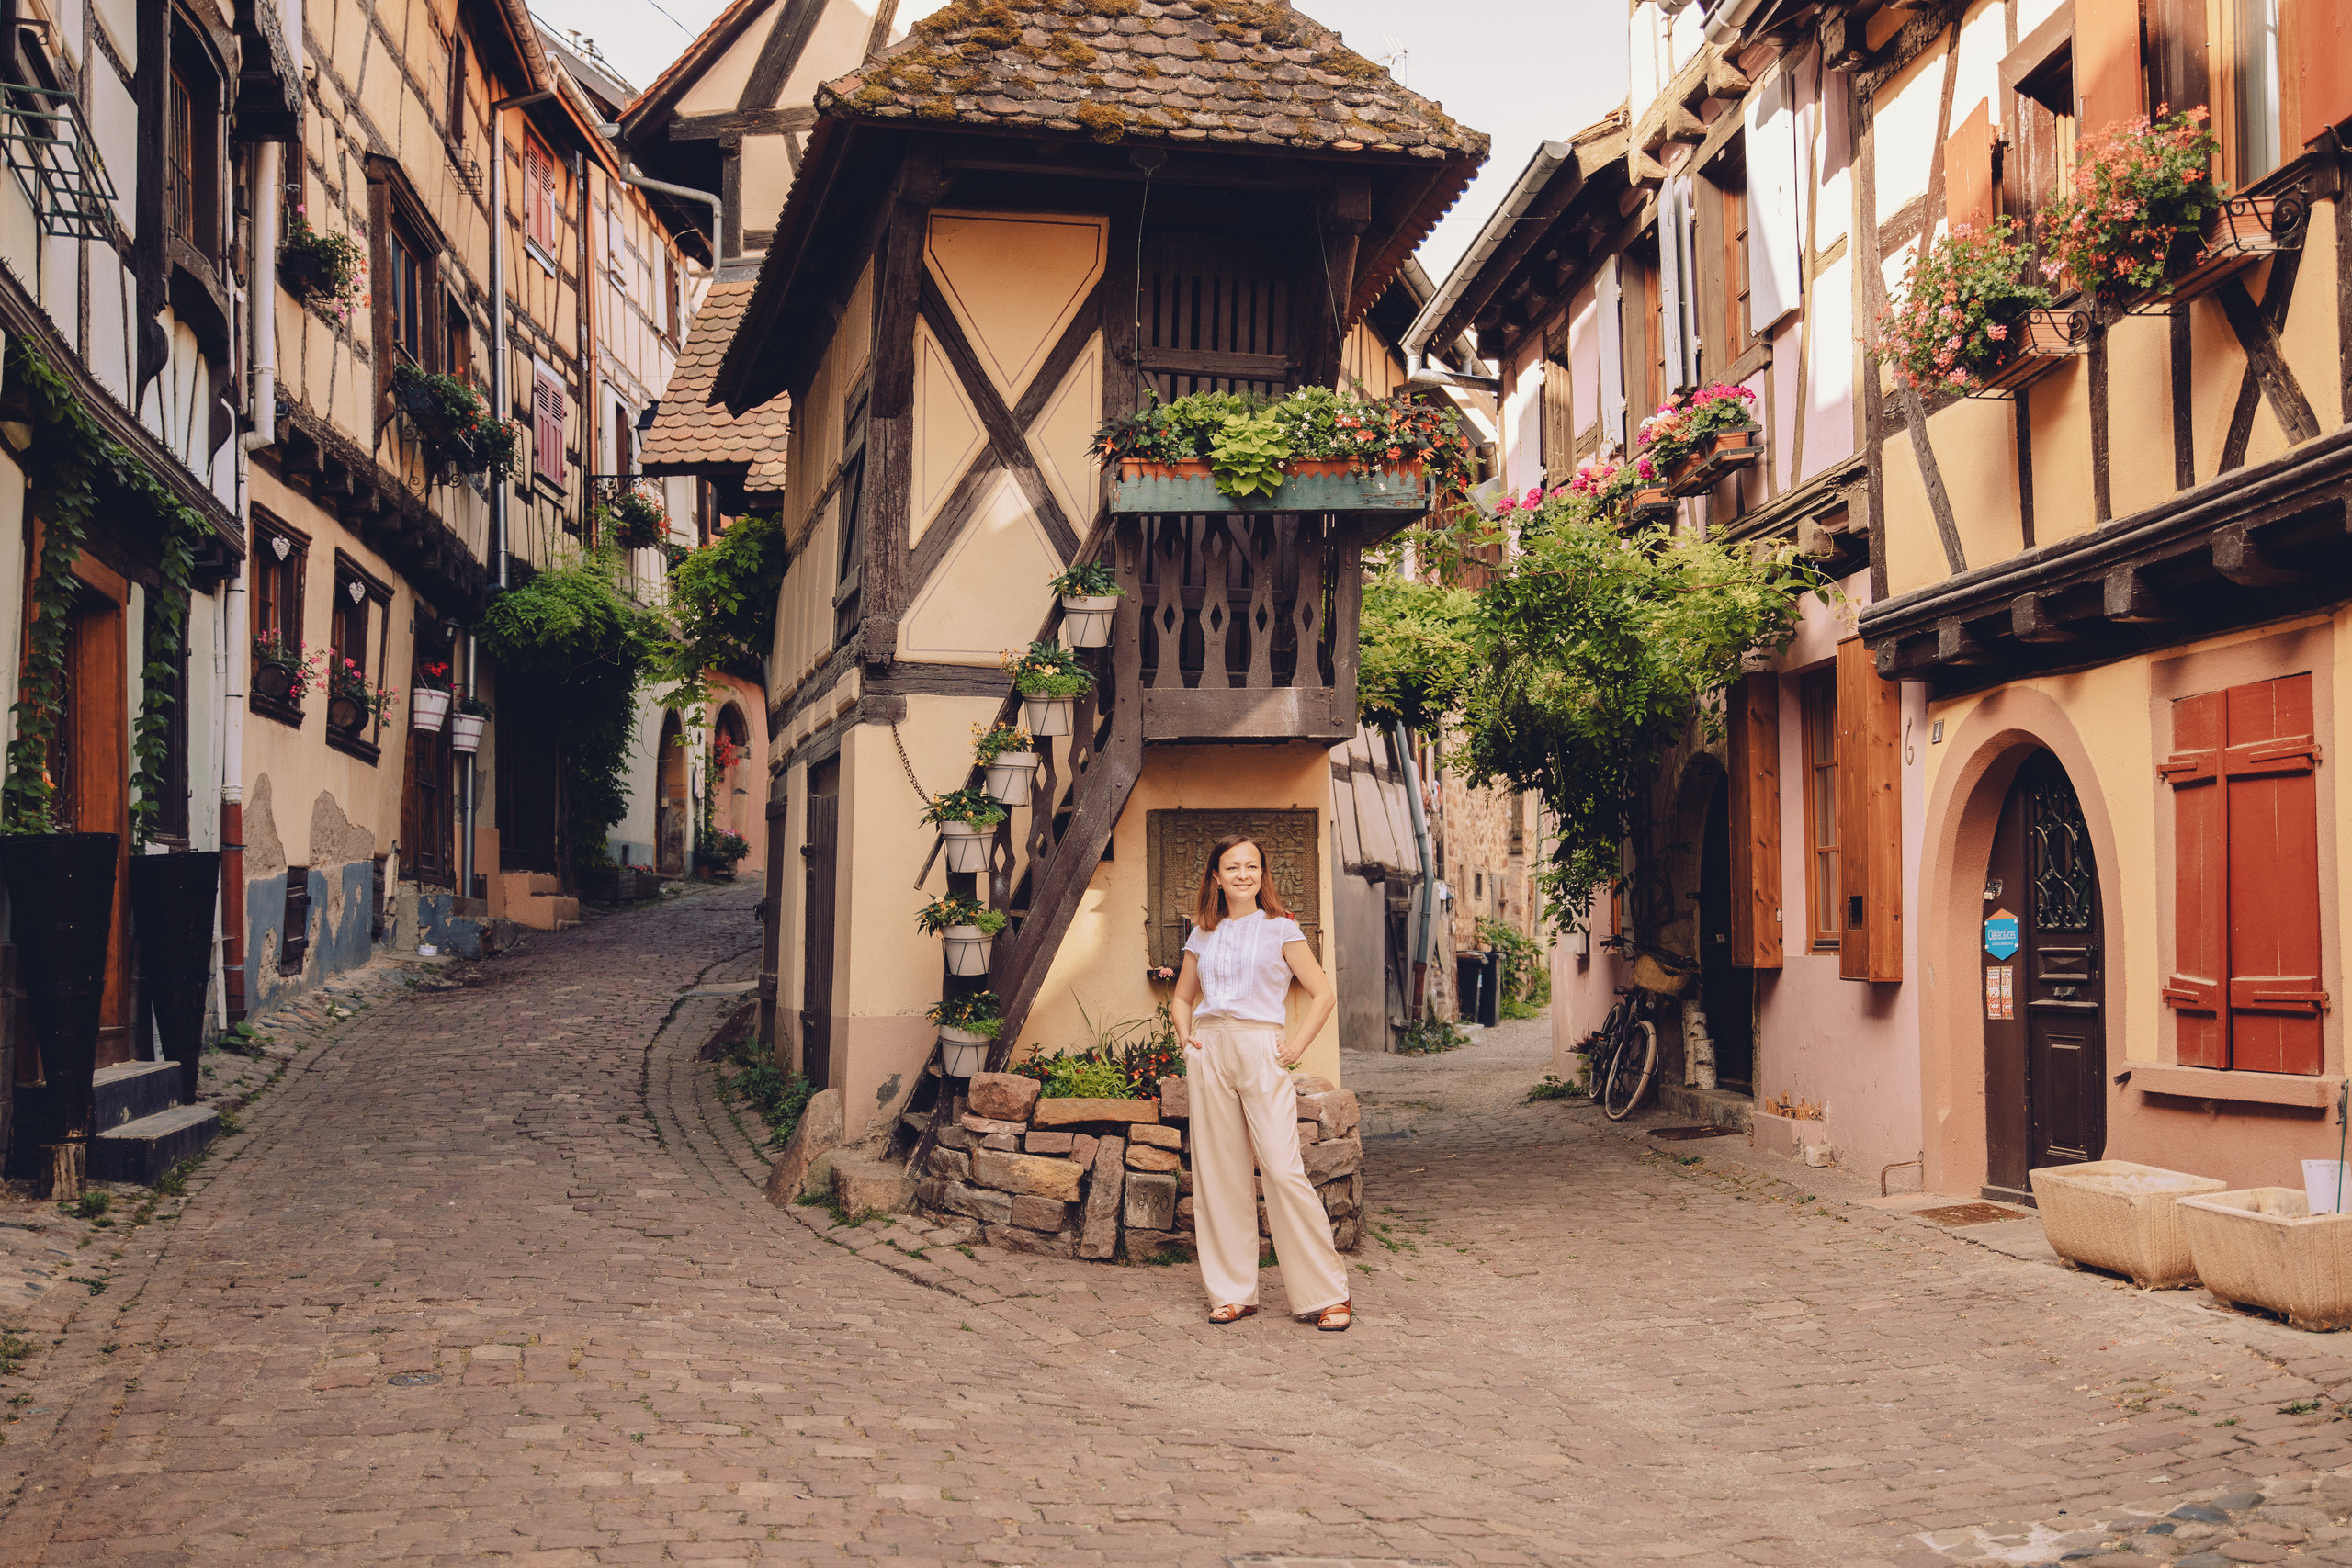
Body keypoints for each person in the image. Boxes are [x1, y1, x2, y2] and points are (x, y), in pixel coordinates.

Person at [1170, 832, 1351, 1332]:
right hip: (1210, 1049)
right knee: (1219, 1174)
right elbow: (1182, 998)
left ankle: (1327, 1294)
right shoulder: (1202, 933)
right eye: (1232, 867)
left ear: (1262, 874)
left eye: (1251, 866)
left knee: (1282, 1169)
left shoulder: (1281, 929)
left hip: (1259, 1047)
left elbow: (1322, 993)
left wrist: (1296, 1047)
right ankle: (1233, 1293)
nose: (1243, 875)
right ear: (1216, 876)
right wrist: (1186, 1039)